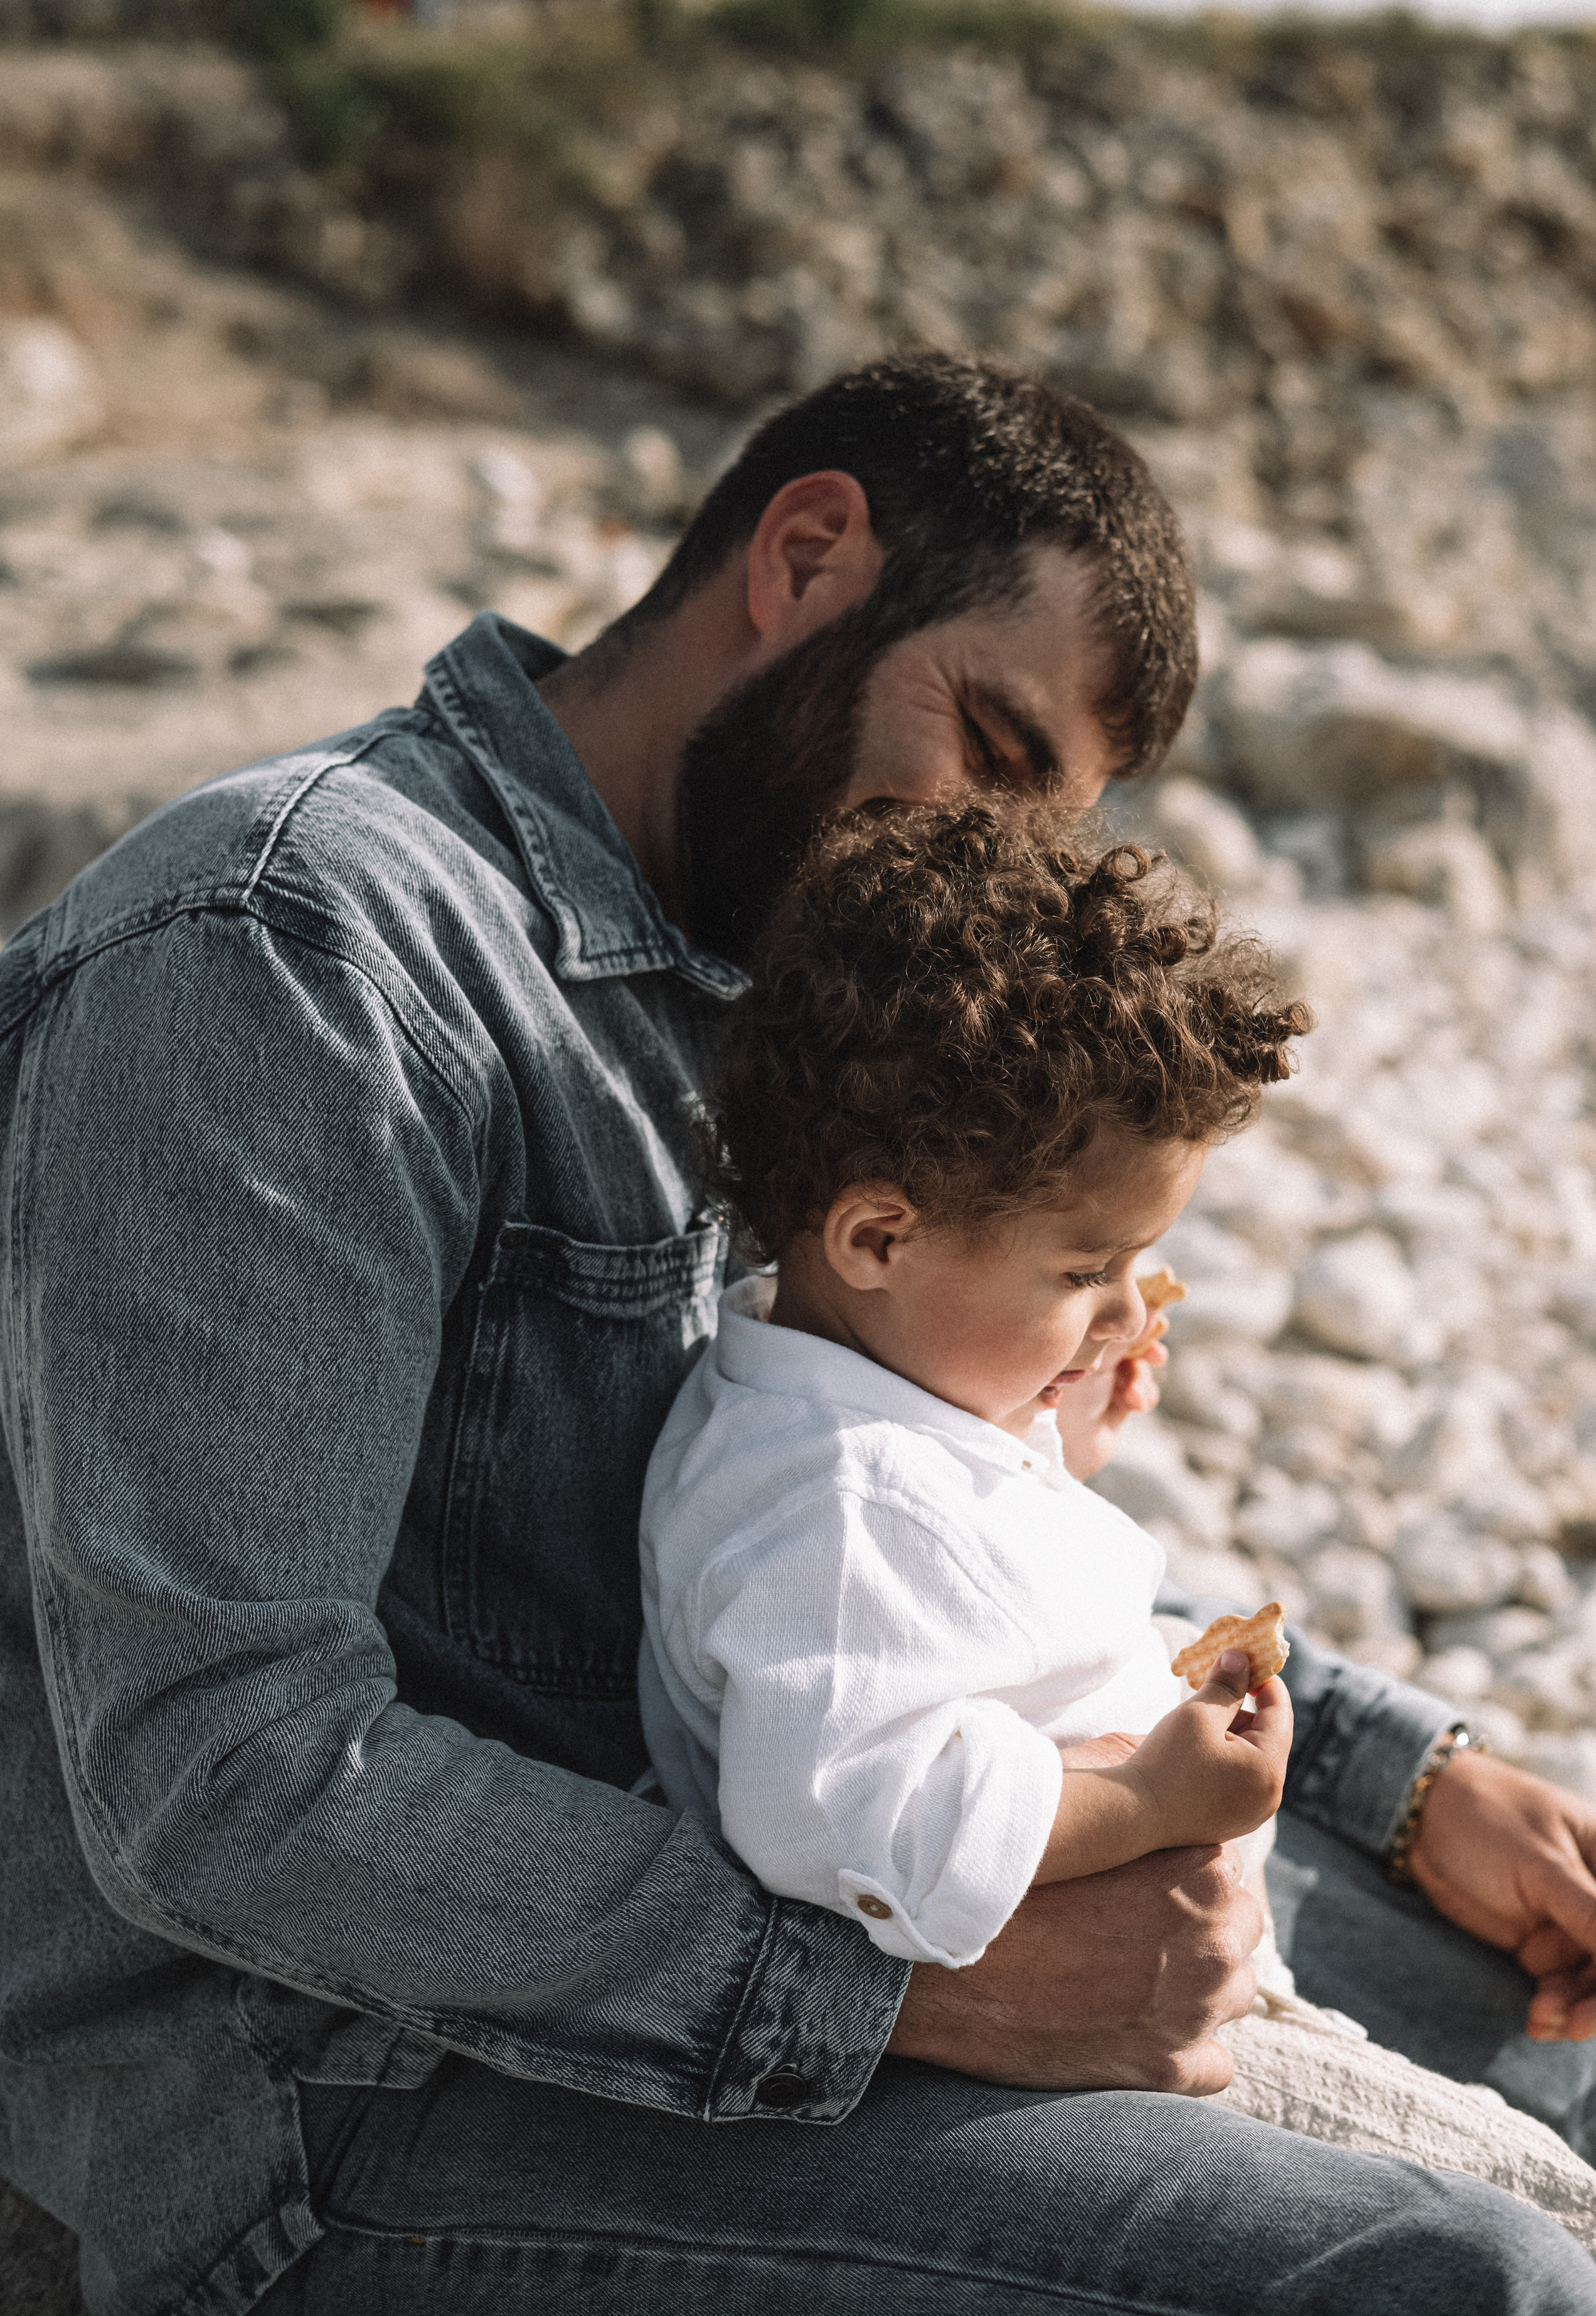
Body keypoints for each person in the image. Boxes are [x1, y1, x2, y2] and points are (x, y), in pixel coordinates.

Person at [0, 353, 1595, 2315]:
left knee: (1563, 2024)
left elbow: (902, 1515)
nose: (997, 853)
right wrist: (906, 1990)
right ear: (809, 553)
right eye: (989, 743)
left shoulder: (777, 964)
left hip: (775, 1857)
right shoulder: (288, 963)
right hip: (323, 2106)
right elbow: (229, 1776)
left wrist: (1399, 1776)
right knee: (1459, 2276)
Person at [640, 797, 1596, 2246]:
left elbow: (954, 1584)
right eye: (1087, 1268)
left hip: (1182, 1983)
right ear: (877, 1236)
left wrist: (1057, 1426)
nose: (1122, 1306)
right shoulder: (828, 1504)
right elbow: (837, 1810)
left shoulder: (856, 1382)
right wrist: (1149, 1804)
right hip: (1111, 2048)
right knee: (1540, 2214)